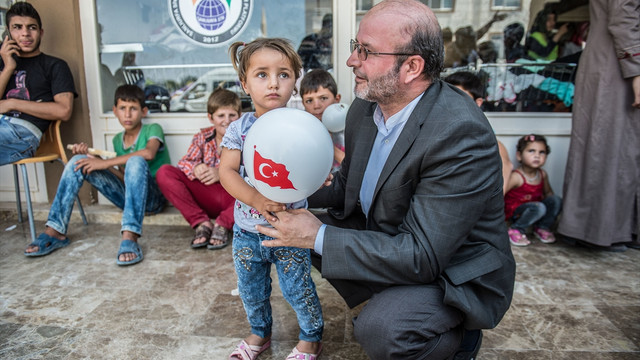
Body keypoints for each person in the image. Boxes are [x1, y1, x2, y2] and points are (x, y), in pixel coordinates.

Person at [256, 1, 516, 359]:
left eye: (366, 51)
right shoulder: (365, 107)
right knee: (293, 234)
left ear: (411, 66)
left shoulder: (459, 133)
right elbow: (347, 189)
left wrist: (317, 235)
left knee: (381, 330)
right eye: (355, 47)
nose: (351, 61)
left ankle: (456, 338)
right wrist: (283, 192)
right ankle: (385, 298)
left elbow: (423, 255)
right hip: (399, 238)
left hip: (452, 270)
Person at [219, 38, 324, 360]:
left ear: (295, 81)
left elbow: (314, 165)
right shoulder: (239, 128)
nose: (273, 83)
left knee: (298, 288)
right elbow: (227, 171)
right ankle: (259, 333)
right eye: (261, 75)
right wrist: (255, 197)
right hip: (247, 231)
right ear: (244, 84)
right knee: (251, 290)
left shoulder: (303, 126)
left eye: (283, 74)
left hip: (291, 230)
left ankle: (310, 336)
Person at [24, 85, 170, 266]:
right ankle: (55, 231)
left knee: (136, 160)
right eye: (122, 108)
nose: (128, 114)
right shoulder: (118, 140)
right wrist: (98, 161)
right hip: (130, 199)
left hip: (154, 198)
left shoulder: (152, 129)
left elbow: (148, 154)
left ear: (144, 111)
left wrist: (104, 163)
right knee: (80, 159)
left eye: (133, 109)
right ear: (115, 111)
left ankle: (130, 236)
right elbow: (125, 177)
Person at [558, 0, 640, 252]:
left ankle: (612, 228)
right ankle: (598, 229)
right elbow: (624, 18)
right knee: (611, 146)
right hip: (616, 67)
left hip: (612, 62)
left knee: (615, 147)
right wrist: (637, 72)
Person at [156, 88, 240, 250]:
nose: (227, 121)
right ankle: (202, 223)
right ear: (211, 118)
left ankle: (223, 224)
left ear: (239, 116)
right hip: (207, 195)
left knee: (258, 185)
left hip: (234, 198)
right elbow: (184, 163)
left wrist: (221, 173)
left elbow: (251, 172)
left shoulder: (246, 138)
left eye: (232, 115)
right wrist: (195, 168)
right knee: (165, 172)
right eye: (221, 116)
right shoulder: (202, 137)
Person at [0, 2, 76, 165]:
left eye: (31, 28)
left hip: (23, 133)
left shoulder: (54, 66)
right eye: (17, 27)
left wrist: (12, 103)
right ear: (7, 33)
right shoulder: (4, 64)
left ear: (40, 33)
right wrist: (8, 68)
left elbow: (64, 111)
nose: (25, 33)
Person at [444, 71, 513, 194]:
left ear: (478, 103)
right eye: (446, 98)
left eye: (459, 99)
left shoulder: (482, 132)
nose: (452, 104)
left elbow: (505, 166)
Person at [504, 134, 561, 246]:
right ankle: (516, 229)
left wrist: (553, 206)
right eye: (531, 151)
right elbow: (502, 193)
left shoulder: (542, 174)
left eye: (542, 152)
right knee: (539, 207)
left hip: (537, 209)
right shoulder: (517, 176)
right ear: (519, 155)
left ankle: (542, 227)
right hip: (517, 212)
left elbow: (548, 193)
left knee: (556, 200)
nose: (537, 156)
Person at [300, 69, 345, 172]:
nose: (316, 106)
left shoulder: (349, 128)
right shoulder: (301, 131)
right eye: (309, 100)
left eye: (323, 98)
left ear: (337, 99)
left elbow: (353, 168)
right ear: (303, 103)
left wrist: (328, 145)